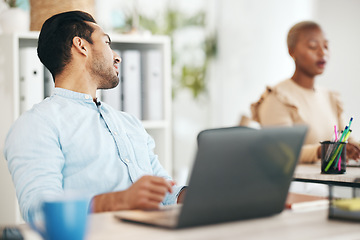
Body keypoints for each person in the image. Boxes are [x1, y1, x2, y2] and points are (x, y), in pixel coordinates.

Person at [4, 11, 186, 222]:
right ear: (81, 46)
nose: (117, 56)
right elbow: (40, 212)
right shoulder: (36, 124)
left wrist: (204, 196)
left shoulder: (129, 123)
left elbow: (165, 191)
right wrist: (118, 201)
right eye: (107, 43)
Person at [251, 21, 360, 164]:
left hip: (323, 185)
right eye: (313, 46)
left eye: (326, 46)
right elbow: (282, 152)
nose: (323, 53)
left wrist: (354, 148)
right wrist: (323, 150)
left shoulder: (330, 97)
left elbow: (347, 141)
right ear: (291, 51)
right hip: (290, 185)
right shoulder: (277, 97)